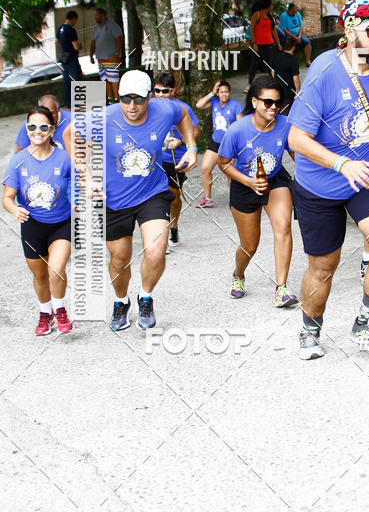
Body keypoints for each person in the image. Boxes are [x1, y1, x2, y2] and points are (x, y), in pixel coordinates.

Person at [287, 0, 369, 360]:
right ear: (349, 32)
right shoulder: (325, 71)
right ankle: (310, 329)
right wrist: (340, 163)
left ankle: (366, 322)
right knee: (323, 267)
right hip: (320, 184)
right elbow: (296, 140)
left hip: (368, 178)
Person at [62, 69, 198, 331]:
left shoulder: (165, 108)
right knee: (119, 259)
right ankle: (121, 300)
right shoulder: (102, 118)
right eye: (125, 99)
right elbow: (70, 134)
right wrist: (85, 174)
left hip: (152, 192)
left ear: (149, 97)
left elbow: (183, 117)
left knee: (156, 251)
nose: (131, 106)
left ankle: (145, 296)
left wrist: (191, 147)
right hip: (113, 198)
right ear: (118, 98)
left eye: (138, 99)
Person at [218, 75, 298, 308]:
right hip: (245, 186)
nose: (273, 107)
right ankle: (238, 274)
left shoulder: (286, 125)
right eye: (267, 102)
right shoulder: (237, 130)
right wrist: (248, 182)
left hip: (274, 181)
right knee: (249, 245)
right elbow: (223, 163)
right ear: (254, 102)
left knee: (283, 226)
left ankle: (281, 289)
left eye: (277, 102)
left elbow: (297, 155)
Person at [2, 105, 73, 335]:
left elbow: (79, 184)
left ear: (52, 130)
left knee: (56, 270)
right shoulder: (18, 161)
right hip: (32, 225)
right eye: (32, 126)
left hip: (61, 222)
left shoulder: (64, 157)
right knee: (40, 275)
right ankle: (45, 314)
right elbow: (8, 197)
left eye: (43, 126)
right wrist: (14, 210)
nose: (37, 131)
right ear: (27, 128)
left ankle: (60, 310)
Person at [153, 71, 200, 248]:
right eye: (157, 91)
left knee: (173, 197)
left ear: (173, 91)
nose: (161, 95)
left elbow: (196, 131)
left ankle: (174, 227)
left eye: (165, 91)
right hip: (156, 159)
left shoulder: (182, 109)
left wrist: (181, 140)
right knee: (157, 197)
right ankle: (159, 235)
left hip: (176, 159)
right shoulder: (149, 107)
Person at [195, 79, 243, 208]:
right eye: (221, 92)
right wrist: (212, 92)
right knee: (205, 169)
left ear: (230, 92)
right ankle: (207, 198)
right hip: (215, 143)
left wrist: (237, 146)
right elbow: (199, 105)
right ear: (218, 93)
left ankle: (235, 200)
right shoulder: (214, 102)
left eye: (226, 92)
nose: (224, 95)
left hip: (229, 145)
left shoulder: (236, 105)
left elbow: (241, 127)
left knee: (229, 173)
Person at [90, 7, 124, 102]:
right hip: (100, 59)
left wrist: (116, 53)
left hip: (111, 58)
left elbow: (119, 39)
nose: (96, 17)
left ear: (103, 15)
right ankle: (110, 99)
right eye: (95, 16)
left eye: (97, 15)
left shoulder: (112, 25)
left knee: (113, 80)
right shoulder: (96, 28)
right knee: (105, 80)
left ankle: (117, 99)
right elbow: (93, 42)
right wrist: (91, 55)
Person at [249, 0, 281, 85]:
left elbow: (273, 30)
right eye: (271, 5)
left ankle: (272, 81)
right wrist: (254, 43)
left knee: (269, 64)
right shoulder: (257, 15)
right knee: (254, 64)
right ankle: (249, 83)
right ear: (267, 6)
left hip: (269, 43)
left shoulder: (270, 16)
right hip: (258, 44)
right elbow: (252, 30)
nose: (272, 6)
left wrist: (278, 43)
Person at [56, 10, 83, 108]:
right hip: (72, 58)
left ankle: (68, 102)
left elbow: (56, 41)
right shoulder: (71, 30)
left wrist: (64, 47)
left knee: (66, 81)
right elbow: (75, 46)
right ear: (73, 19)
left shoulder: (60, 29)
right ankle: (78, 102)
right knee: (76, 79)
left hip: (64, 58)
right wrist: (80, 46)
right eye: (75, 20)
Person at [272, 36, 301, 115]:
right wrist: (298, 91)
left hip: (278, 89)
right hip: (289, 92)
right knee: (287, 112)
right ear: (293, 46)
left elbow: (273, 71)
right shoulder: (292, 61)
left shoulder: (277, 57)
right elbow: (295, 78)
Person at [277, 2, 312, 67]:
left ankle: (307, 61)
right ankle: (288, 64)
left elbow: (301, 26)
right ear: (292, 9)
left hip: (298, 35)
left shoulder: (298, 14)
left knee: (307, 43)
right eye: (296, 8)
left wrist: (299, 36)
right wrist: (294, 38)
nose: (297, 9)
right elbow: (284, 30)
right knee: (290, 46)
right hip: (288, 35)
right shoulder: (284, 16)